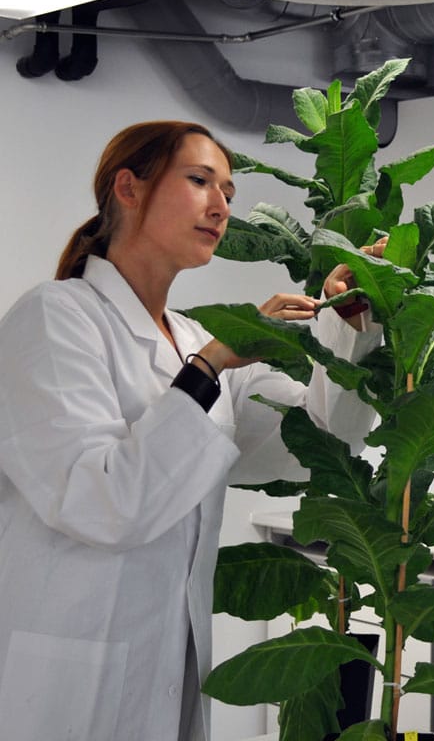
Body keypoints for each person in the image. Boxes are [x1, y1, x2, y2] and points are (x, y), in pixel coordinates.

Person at [0, 121, 383, 741]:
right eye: (200, 181)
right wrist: (208, 368)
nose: (221, 207)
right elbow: (106, 504)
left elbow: (320, 444)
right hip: (67, 681)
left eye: (228, 192)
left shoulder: (191, 338)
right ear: (129, 188)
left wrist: (348, 324)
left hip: (167, 669)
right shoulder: (54, 318)